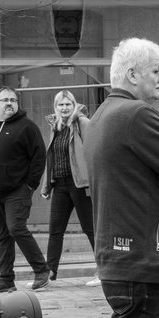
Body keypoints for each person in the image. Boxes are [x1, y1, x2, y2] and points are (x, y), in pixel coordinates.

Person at [85, 37, 159, 318]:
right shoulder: (136, 114)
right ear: (132, 75)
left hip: (115, 262)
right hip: (140, 261)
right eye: (156, 71)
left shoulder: (100, 116)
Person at [0, 87, 50, 293]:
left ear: (17, 103)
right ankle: (6, 279)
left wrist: (30, 184)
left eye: (13, 100)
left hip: (17, 189)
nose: (9, 103)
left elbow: (39, 157)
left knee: (15, 228)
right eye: (4, 100)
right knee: (1, 234)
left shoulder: (27, 127)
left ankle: (42, 270)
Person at [39, 90, 99, 286]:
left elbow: (93, 149)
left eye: (68, 104)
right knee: (55, 230)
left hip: (80, 184)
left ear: (74, 106)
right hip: (61, 184)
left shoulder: (82, 123)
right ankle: (50, 273)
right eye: (60, 105)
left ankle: (103, 271)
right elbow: (52, 156)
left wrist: (93, 178)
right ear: (55, 108)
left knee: (90, 228)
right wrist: (47, 184)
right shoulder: (55, 127)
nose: (64, 108)